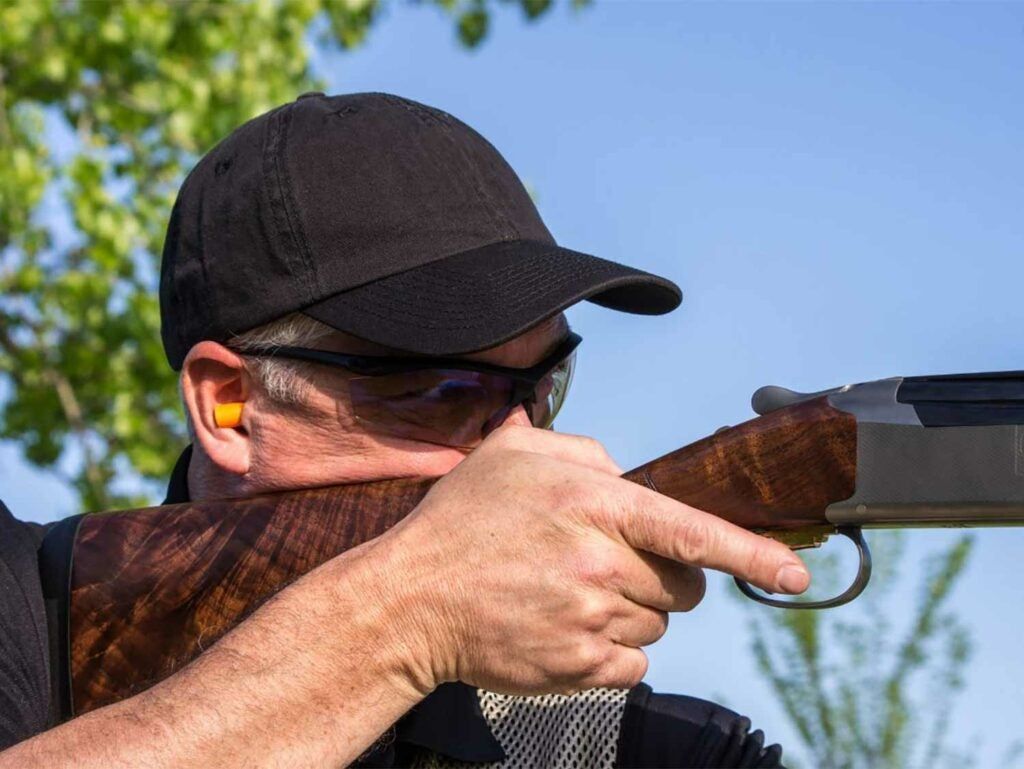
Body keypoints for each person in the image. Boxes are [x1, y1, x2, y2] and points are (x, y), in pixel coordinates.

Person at [0, 92, 811, 768]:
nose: (523, 448)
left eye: (541, 386)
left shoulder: (636, 747)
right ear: (230, 405)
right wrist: (400, 625)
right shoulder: (26, 615)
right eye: (443, 388)